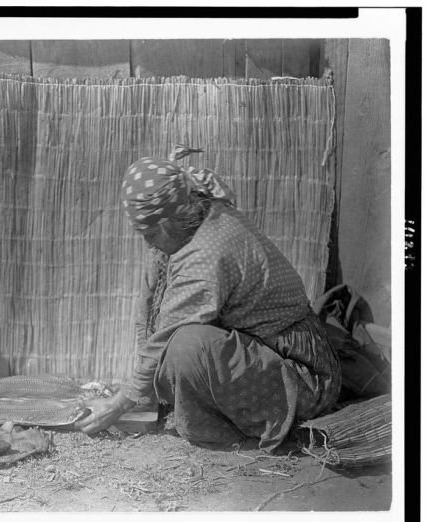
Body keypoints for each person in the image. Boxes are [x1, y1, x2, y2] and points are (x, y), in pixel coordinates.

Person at [75, 145, 341, 451]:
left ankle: (232, 433)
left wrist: (119, 405)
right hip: (260, 353)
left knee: (186, 349)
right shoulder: (193, 211)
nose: (147, 243)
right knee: (174, 340)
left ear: (164, 223)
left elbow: (165, 336)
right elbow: (150, 302)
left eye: (148, 235)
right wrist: (140, 392)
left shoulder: (206, 256)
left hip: (300, 374)